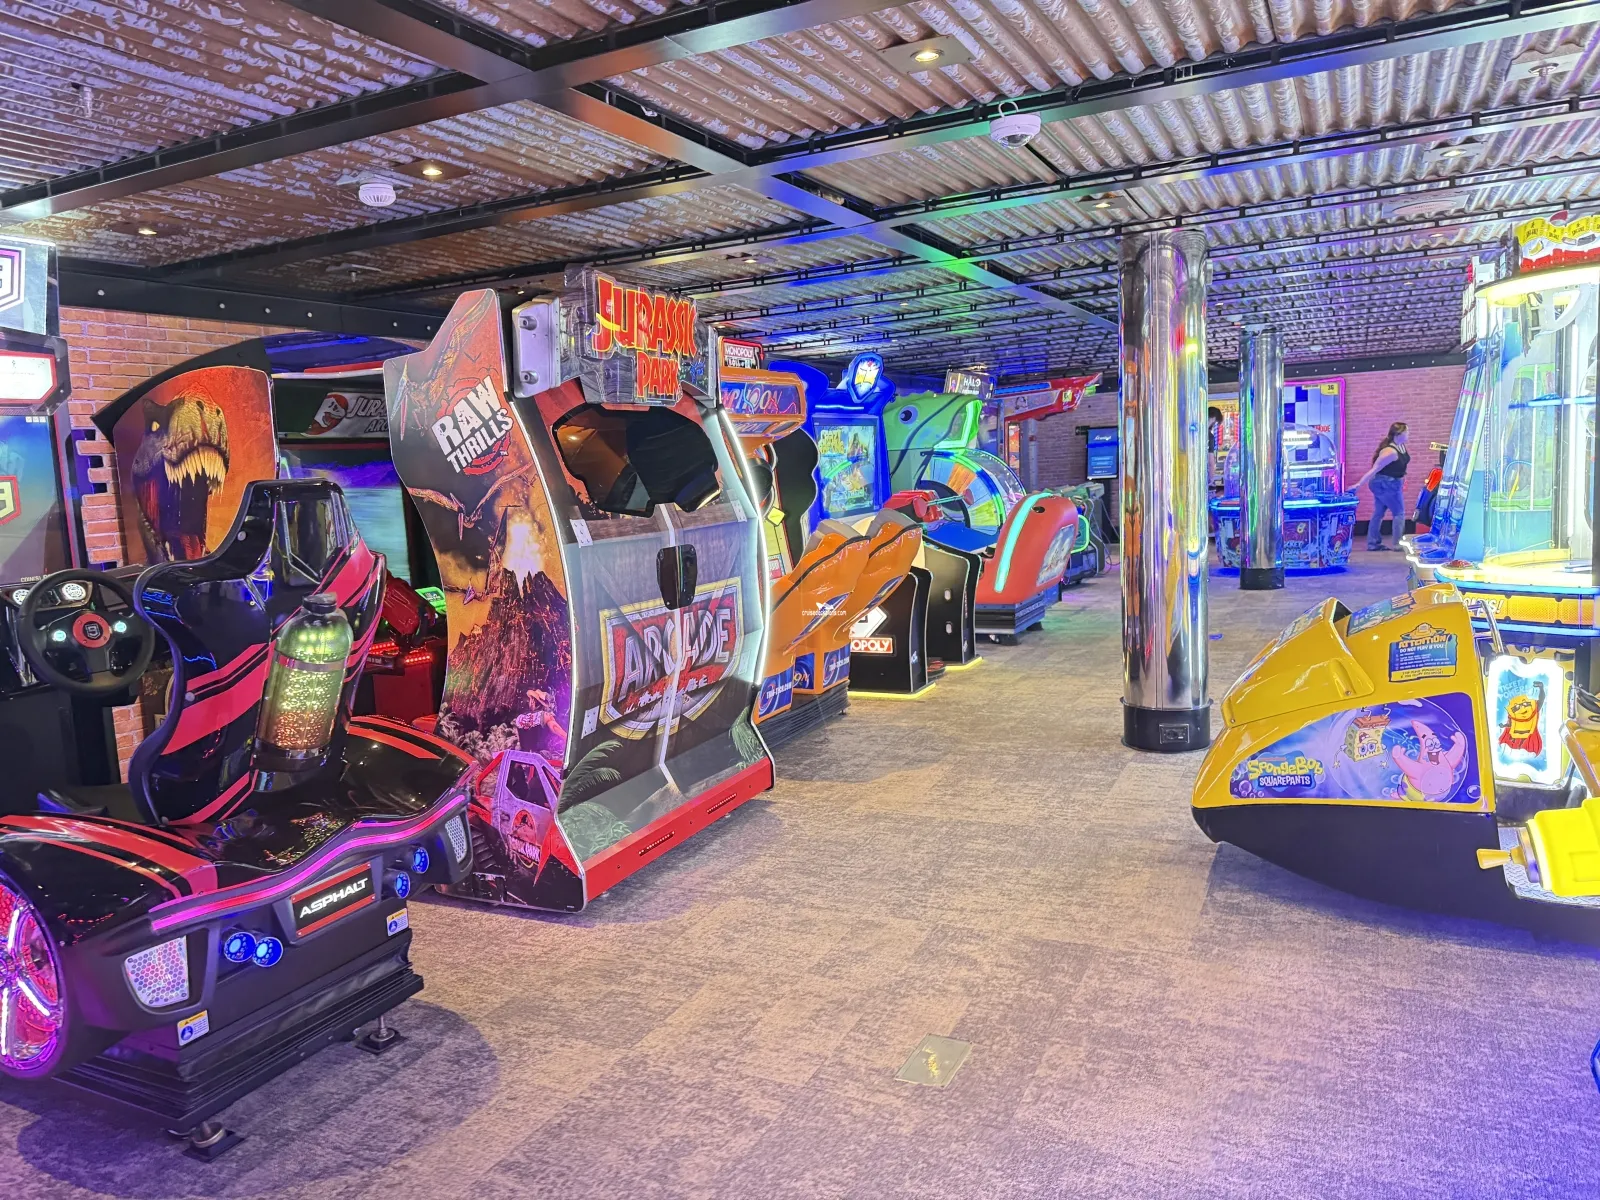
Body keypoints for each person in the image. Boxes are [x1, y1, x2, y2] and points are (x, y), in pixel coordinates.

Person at [1352, 422, 1410, 551]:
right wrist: (1358, 484)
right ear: (1399, 434)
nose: (1408, 434)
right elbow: (1374, 469)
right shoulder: (1390, 452)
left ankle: (1373, 543)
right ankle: (1397, 544)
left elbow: (1399, 467)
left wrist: (1402, 479)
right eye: (1406, 432)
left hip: (1391, 483)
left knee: (1379, 513)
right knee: (1399, 513)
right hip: (1385, 484)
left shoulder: (1401, 446)